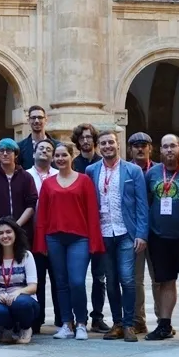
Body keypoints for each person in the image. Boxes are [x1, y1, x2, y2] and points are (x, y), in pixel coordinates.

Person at [33, 142, 104, 341]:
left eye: (64, 155)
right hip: (54, 238)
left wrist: (94, 242)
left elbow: (92, 212)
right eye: (58, 156)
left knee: (77, 281)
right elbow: (42, 216)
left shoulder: (84, 181)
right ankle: (66, 323)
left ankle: (81, 322)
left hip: (79, 239)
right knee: (61, 283)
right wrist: (41, 243)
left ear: (72, 157)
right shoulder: (48, 184)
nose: (61, 159)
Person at [85, 130, 148, 342]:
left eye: (110, 142)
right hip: (103, 232)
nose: (107, 146)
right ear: (98, 147)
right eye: (103, 143)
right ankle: (118, 323)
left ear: (118, 144)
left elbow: (142, 205)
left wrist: (142, 234)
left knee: (128, 278)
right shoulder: (91, 170)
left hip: (126, 232)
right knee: (111, 280)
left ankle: (130, 324)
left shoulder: (133, 171)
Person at [143, 134, 179, 342]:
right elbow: (146, 205)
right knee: (165, 282)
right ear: (160, 150)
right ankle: (164, 325)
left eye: (173, 146)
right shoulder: (152, 174)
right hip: (159, 238)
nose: (169, 150)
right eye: (165, 146)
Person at [73, 124, 108, 334]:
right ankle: (79, 317)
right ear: (77, 142)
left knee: (99, 276)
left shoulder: (101, 163)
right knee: (76, 277)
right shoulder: (74, 164)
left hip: (100, 226)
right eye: (82, 138)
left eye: (89, 137)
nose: (86, 141)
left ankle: (97, 316)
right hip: (79, 226)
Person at [0, 218, 40, 344]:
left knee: (21, 304)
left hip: (23, 298)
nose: (5, 236)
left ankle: (25, 328)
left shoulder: (26, 255)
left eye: (9, 232)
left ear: (15, 234)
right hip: (1, 298)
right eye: (1, 233)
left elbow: (33, 287)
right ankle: (8, 328)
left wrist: (17, 293)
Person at [25, 138, 60, 333]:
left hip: (56, 233)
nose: (44, 151)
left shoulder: (59, 174)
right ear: (33, 153)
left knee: (58, 277)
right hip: (33, 233)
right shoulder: (27, 175)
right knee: (36, 278)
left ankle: (62, 318)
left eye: (48, 149)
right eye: (41, 148)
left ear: (53, 155)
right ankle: (36, 320)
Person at [129, 131, 159, 335]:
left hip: (158, 232)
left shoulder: (159, 171)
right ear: (130, 149)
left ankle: (162, 319)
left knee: (159, 279)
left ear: (150, 148)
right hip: (135, 233)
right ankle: (138, 320)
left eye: (144, 145)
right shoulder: (127, 170)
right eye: (136, 145)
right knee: (136, 278)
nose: (140, 148)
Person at [0, 138, 36, 236]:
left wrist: (17, 225)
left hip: (22, 230)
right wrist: (0, 225)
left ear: (16, 154)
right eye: (1, 151)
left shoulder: (26, 177)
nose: (5, 154)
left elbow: (31, 204)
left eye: (8, 151)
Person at [17, 105, 58, 170]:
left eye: (40, 117)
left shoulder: (57, 146)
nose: (36, 121)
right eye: (33, 118)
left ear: (46, 120)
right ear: (28, 120)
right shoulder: (19, 147)